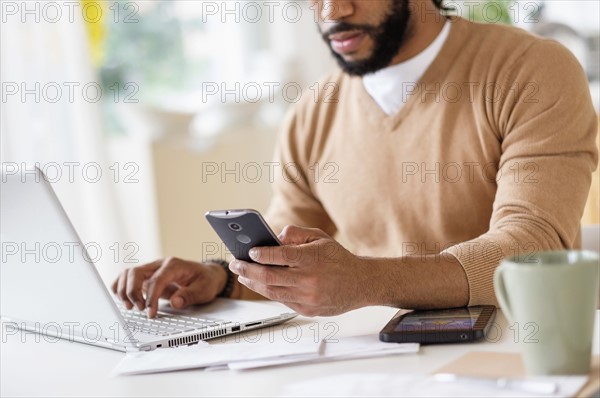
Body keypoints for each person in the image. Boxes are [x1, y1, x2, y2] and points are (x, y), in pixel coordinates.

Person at [113, 0, 598, 318]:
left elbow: (532, 252)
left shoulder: (532, 70)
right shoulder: (312, 114)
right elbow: (285, 257)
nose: (332, 12)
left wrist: (366, 281)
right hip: (379, 362)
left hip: (516, 354)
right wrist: (219, 277)